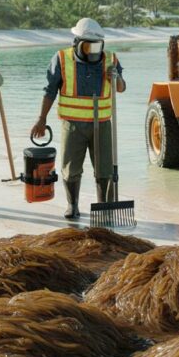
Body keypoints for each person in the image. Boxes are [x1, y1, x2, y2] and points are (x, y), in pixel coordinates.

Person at [31, 18, 125, 219]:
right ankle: (72, 205)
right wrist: (41, 119)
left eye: (97, 46)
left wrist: (116, 77)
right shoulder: (62, 59)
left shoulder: (110, 59)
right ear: (77, 43)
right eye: (89, 46)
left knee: (104, 168)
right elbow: (50, 91)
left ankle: (104, 208)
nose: (94, 51)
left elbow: (121, 88)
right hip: (72, 125)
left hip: (102, 125)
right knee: (70, 168)